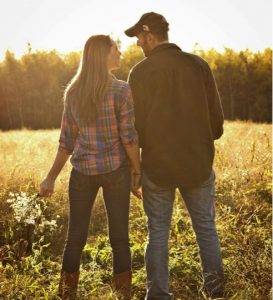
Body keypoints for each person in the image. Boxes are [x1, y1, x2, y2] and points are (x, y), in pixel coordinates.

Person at [125, 12, 225, 300]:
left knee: (157, 232)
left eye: (138, 38)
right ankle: (215, 293)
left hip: (157, 167)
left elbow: (135, 129)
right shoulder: (199, 65)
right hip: (197, 164)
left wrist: (136, 166)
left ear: (149, 35)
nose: (137, 44)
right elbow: (216, 125)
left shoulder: (140, 73)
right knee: (206, 228)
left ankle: (157, 295)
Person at [39, 35, 141, 300]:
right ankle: (123, 295)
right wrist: (137, 171)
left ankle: (66, 294)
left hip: (82, 173)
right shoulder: (121, 90)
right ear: (103, 56)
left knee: (75, 237)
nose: (119, 53)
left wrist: (50, 177)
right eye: (115, 49)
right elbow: (129, 138)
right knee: (119, 237)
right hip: (116, 171)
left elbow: (66, 142)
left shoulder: (73, 92)